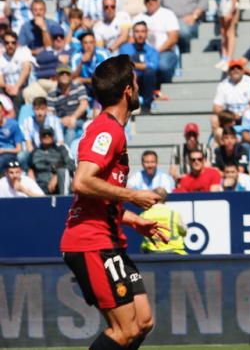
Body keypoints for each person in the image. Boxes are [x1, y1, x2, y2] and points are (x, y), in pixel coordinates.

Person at [60, 55, 164, 350]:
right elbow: (82, 181)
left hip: (107, 238)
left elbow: (101, 195)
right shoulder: (108, 130)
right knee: (124, 330)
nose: (138, 83)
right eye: (135, 79)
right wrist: (134, 195)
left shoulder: (113, 130)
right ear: (127, 90)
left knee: (142, 321)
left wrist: (133, 219)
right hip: (91, 241)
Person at [138, 189, 187, 255]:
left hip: (151, 254)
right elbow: (184, 231)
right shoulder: (174, 214)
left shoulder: (144, 215)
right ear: (166, 198)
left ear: (152, 198)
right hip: (175, 253)